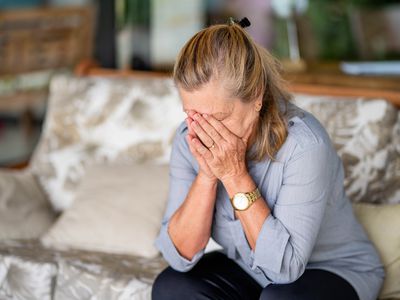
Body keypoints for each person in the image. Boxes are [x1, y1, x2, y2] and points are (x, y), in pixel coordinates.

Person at [152, 18, 384, 300]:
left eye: (220, 117)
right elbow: (179, 256)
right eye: (194, 115)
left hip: (330, 269)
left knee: (279, 298)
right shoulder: (189, 137)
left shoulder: (304, 145)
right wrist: (208, 174)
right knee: (171, 287)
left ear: (256, 97)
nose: (205, 131)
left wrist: (234, 174)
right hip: (250, 269)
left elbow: (285, 270)